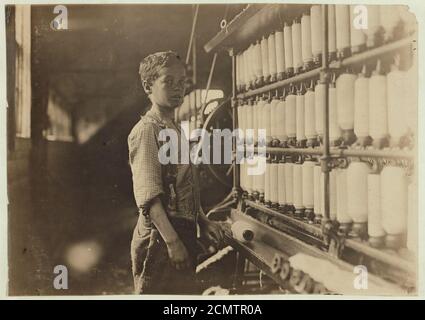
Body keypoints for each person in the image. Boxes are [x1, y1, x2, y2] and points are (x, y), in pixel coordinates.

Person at [128, 51, 226, 294]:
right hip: (159, 237)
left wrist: (202, 221)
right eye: (168, 82)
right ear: (148, 86)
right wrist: (172, 243)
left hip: (180, 230)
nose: (177, 89)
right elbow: (149, 198)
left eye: (181, 83)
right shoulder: (147, 131)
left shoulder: (173, 129)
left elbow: (184, 185)